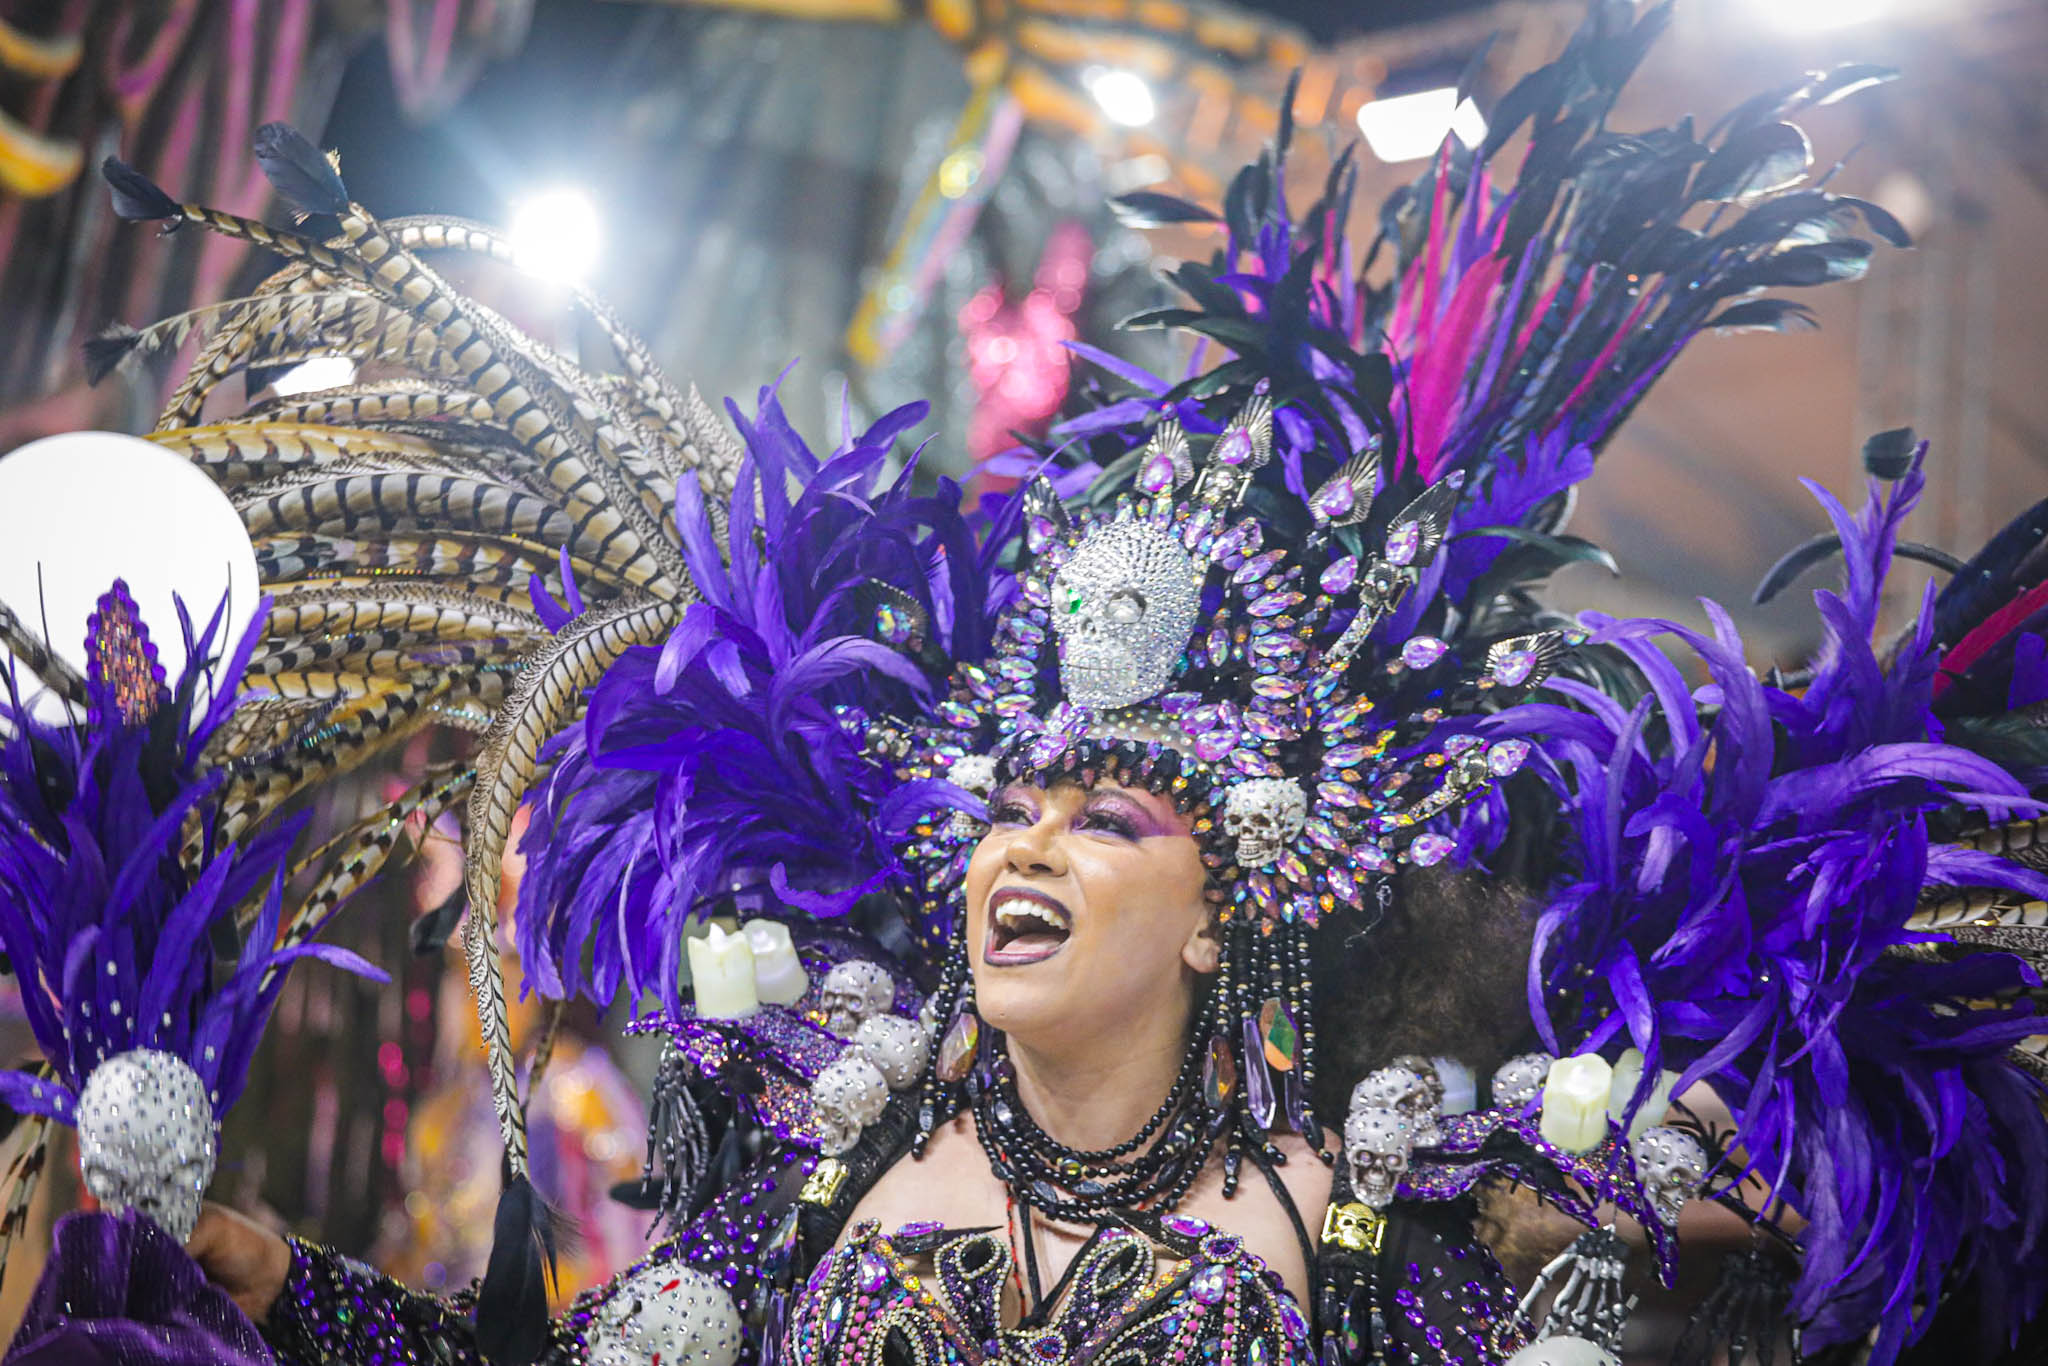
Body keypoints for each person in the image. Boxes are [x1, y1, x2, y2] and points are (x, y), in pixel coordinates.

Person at [11, 6, 2048, 1366]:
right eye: (1008, 804)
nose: (1026, 845)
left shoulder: (1371, 1227)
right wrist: (289, 1287)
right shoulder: (814, 1159)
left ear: (1231, 902)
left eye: (1106, 815)